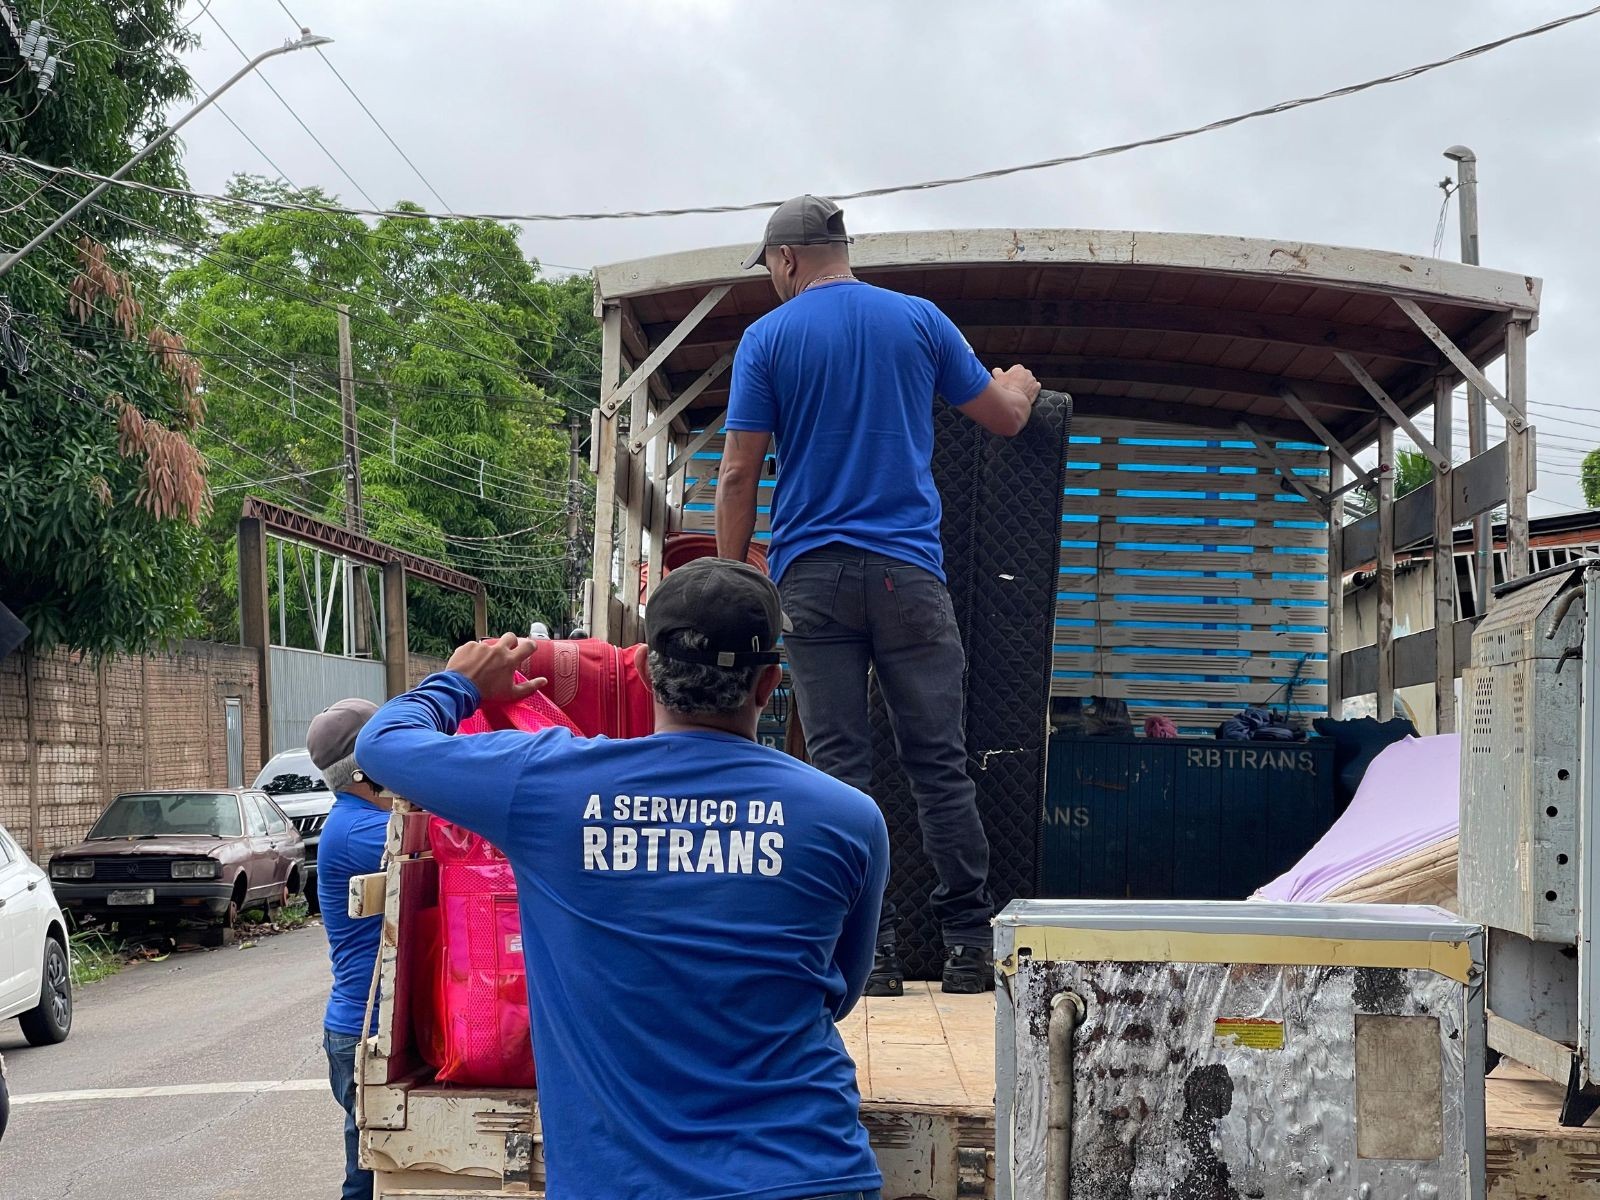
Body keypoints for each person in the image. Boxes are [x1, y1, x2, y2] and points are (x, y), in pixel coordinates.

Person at [356, 558, 890, 1200]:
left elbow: (381, 745)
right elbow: (838, 990)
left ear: (643, 669)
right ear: (769, 682)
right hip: (810, 1174)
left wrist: (461, 684)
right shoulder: (848, 817)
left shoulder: (547, 786)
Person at [716, 194, 1041, 995]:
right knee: (939, 765)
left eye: (770, 268)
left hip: (813, 578)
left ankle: (875, 954)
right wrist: (1020, 384)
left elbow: (737, 473)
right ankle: (969, 945)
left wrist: (732, 581)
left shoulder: (768, 338)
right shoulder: (920, 320)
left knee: (840, 772)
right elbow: (1003, 418)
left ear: (787, 258)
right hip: (909, 577)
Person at [307, 697, 391, 1200]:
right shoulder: (363, 829)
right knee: (374, 1176)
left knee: (372, 1170)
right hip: (367, 1031)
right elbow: (460, 839)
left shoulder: (360, 818)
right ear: (365, 770)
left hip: (364, 1028)